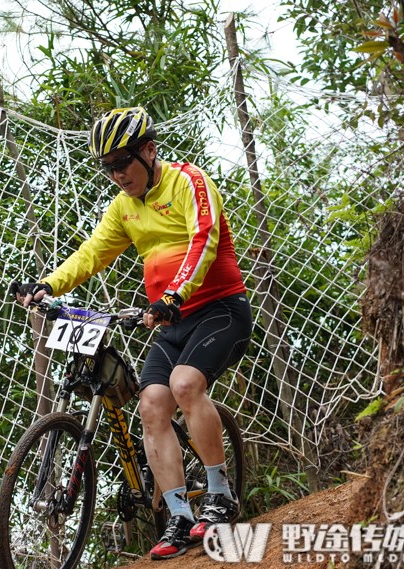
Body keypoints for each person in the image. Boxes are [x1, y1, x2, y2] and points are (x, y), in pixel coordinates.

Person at [13, 107, 252, 560]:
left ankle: (220, 494)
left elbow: (205, 239)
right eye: (108, 168)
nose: (117, 174)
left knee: (184, 384)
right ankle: (180, 514)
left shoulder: (187, 182)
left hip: (219, 310)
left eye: (123, 162)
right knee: (151, 404)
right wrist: (48, 285)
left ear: (149, 150)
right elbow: (92, 253)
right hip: (172, 322)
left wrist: (175, 295)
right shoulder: (123, 208)